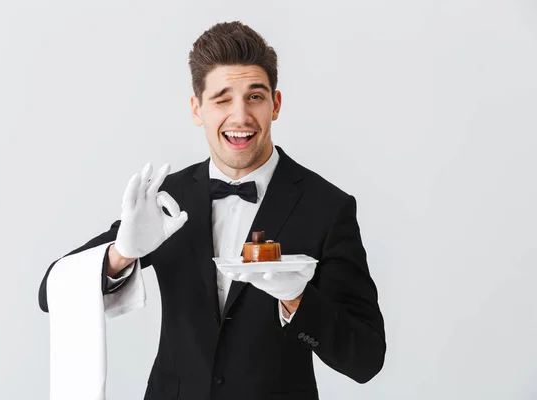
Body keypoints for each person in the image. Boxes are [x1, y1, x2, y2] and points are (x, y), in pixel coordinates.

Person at [38, 21, 386, 400]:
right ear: (197, 109)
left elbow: (365, 358)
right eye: (222, 99)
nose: (240, 117)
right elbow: (52, 292)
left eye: (255, 96)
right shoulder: (166, 199)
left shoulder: (327, 206)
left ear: (276, 105)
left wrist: (296, 298)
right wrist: (123, 252)